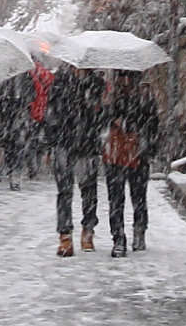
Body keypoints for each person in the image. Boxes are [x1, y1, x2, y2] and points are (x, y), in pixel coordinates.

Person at [44, 66, 104, 257]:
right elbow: (51, 114)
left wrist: (98, 110)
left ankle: (88, 230)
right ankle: (65, 235)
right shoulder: (60, 82)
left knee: (89, 191)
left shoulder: (97, 84)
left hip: (87, 145)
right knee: (64, 192)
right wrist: (49, 144)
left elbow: (102, 117)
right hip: (64, 143)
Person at [101, 71, 160, 258]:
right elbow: (100, 122)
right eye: (121, 78)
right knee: (116, 199)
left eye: (129, 78)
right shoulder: (111, 97)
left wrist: (133, 126)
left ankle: (139, 231)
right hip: (116, 154)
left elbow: (152, 125)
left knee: (138, 197)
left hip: (138, 153)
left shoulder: (145, 97)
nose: (125, 81)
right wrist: (111, 116)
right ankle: (118, 238)